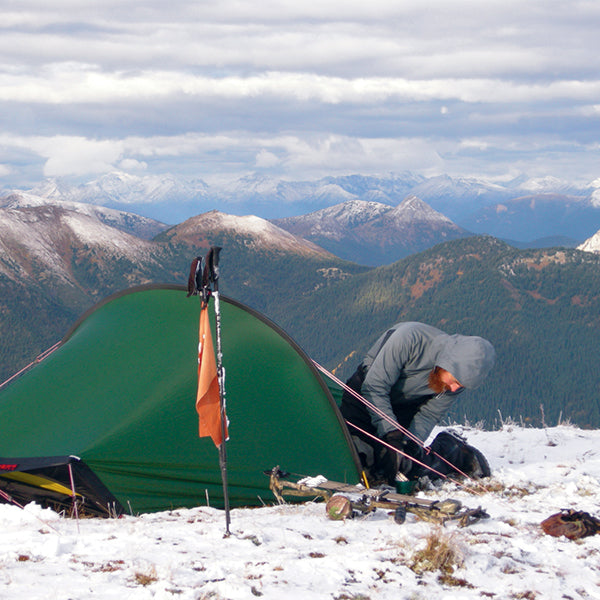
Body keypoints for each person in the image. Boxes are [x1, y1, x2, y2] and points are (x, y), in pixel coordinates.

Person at [340, 321, 495, 484]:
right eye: (455, 381)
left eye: (461, 386)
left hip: (404, 410)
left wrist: (409, 445)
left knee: (401, 468)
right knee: (353, 459)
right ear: (448, 363)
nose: (455, 389)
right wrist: (391, 434)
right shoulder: (409, 339)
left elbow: (429, 414)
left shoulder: (455, 380)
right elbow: (374, 386)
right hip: (363, 398)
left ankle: (454, 452)